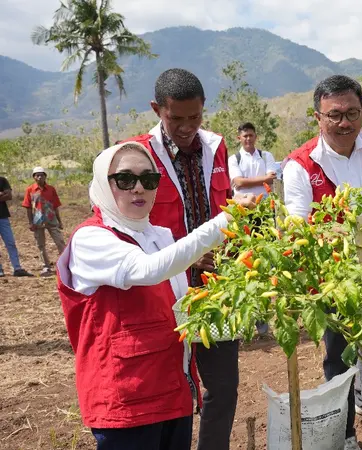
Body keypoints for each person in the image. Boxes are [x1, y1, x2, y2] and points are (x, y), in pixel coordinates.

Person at [56, 142, 255, 450]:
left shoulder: (158, 235)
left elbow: (177, 304)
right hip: (127, 398)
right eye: (125, 180)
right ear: (103, 184)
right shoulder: (91, 238)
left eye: (149, 180)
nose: (139, 188)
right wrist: (224, 221)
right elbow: (149, 270)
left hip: (172, 390)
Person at [121, 68, 238, 450]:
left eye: (195, 117)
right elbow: (127, 231)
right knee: (170, 387)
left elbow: (226, 207)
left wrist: (231, 248)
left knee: (223, 386)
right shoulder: (137, 156)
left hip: (216, 290)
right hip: (164, 293)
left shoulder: (216, 147)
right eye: (176, 118)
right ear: (157, 109)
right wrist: (188, 260)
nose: (187, 127)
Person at [282, 74, 362, 449]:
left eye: (352, 113)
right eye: (334, 115)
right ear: (318, 117)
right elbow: (298, 227)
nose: (344, 123)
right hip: (332, 277)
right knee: (338, 354)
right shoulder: (300, 164)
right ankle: (345, 434)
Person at [22, 166, 66, 276]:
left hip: (51, 219)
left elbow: (55, 206)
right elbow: (28, 207)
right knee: (41, 245)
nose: (39, 177)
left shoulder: (51, 189)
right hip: (38, 221)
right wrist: (30, 222)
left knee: (60, 241)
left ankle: (65, 264)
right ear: (34, 177)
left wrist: (59, 221)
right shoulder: (30, 190)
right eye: (37, 175)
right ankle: (46, 266)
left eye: (41, 175)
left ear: (45, 176)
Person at [228, 122, 280, 197]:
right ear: (239, 138)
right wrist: (265, 179)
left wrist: (244, 183)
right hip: (243, 204)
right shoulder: (234, 159)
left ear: (255, 137)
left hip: (266, 203)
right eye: (245, 136)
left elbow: (271, 179)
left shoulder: (266, 156)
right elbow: (239, 182)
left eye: (251, 135)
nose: (248, 138)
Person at [0, 176, 33, 277]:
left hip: (3, 217)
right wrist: (1, 194)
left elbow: (9, 196)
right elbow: (5, 195)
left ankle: (17, 268)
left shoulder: (2, 180)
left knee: (10, 243)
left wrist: (4, 194)